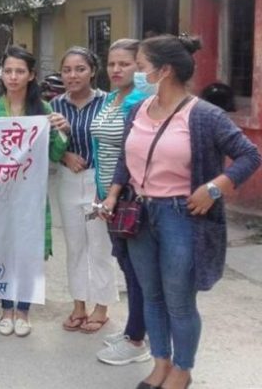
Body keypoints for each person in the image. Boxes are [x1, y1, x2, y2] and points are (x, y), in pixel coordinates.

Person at [100, 35, 260, 389]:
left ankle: (182, 370)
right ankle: (161, 364)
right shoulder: (137, 110)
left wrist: (214, 188)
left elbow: (250, 155)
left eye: (141, 67)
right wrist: (112, 196)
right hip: (140, 214)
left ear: (165, 70)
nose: (136, 74)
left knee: (179, 300)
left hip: (181, 217)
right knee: (151, 294)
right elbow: (126, 160)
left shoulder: (204, 115)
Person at [0, 46, 68, 338]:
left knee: (28, 252)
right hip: (0, 195)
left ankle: (24, 311)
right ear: (1, 74)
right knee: (3, 250)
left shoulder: (43, 110)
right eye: (8, 71)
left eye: (19, 71)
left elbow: (55, 153)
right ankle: (6, 310)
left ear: (31, 75)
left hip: (31, 194)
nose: (13, 77)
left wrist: (62, 130)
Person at [89, 39, 150, 365]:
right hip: (109, 194)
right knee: (126, 265)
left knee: (137, 268)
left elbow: (131, 153)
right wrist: (101, 192)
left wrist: (113, 193)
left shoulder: (141, 101)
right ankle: (134, 329)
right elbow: (101, 147)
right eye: (112, 63)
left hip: (129, 196)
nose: (116, 69)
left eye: (124, 64)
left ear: (139, 67)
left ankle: (137, 341)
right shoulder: (112, 99)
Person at [50, 47, 118, 334]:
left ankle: (101, 307)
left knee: (100, 246)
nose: (73, 75)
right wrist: (64, 155)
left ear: (93, 71)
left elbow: (116, 141)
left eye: (80, 69)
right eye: (67, 70)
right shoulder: (54, 105)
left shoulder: (109, 102)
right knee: (75, 246)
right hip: (68, 179)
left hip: (98, 180)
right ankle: (78, 304)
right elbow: (46, 144)